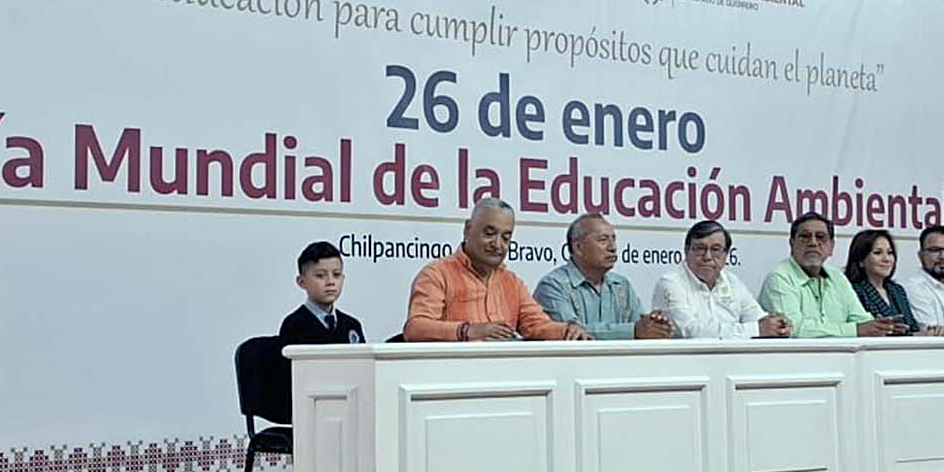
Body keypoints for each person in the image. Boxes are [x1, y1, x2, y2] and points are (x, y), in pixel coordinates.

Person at [404, 198, 588, 342]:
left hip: (505, 372)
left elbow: (537, 325)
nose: (498, 244)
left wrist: (567, 330)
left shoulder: (511, 282)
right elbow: (415, 329)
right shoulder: (437, 274)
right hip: (453, 372)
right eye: (489, 233)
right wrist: (468, 331)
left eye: (506, 238)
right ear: (467, 229)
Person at [759, 212, 905, 338]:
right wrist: (855, 330)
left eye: (820, 237)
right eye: (805, 236)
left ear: (831, 246)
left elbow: (861, 319)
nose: (813, 243)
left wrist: (881, 327)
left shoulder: (837, 277)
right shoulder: (779, 278)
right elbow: (792, 329)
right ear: (792, 243)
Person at [533, 213, 674, 340]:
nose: (612, 247)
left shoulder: (621, 285)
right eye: (603, 240)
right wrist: (633, 331)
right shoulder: (552, 286)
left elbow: (641, 327)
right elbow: (572, 333)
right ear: (578, 248)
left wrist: (654, 327)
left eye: (614, 239)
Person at [651, 220, 792, 339]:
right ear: (686, 251)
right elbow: (690, 331)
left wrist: (778, 326)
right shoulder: (671, 282)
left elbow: (758, 318)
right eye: (700, 248)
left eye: (715, 250)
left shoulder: (732, 282)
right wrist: (756, 329)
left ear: (726, 255)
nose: (707, 256)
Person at [279, 241, 365, 346]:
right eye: (320, 275)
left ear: (343, 278)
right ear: (301, 282)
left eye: (336, 274)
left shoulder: (352, 325)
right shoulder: (294, 325)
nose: (330, 282)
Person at [844, 228, 927, 334]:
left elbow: (913, 326)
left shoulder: (897, 290)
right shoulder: (853, 290)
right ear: (861, 260)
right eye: (878, 253)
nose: (886, 259)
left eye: (890, 253)